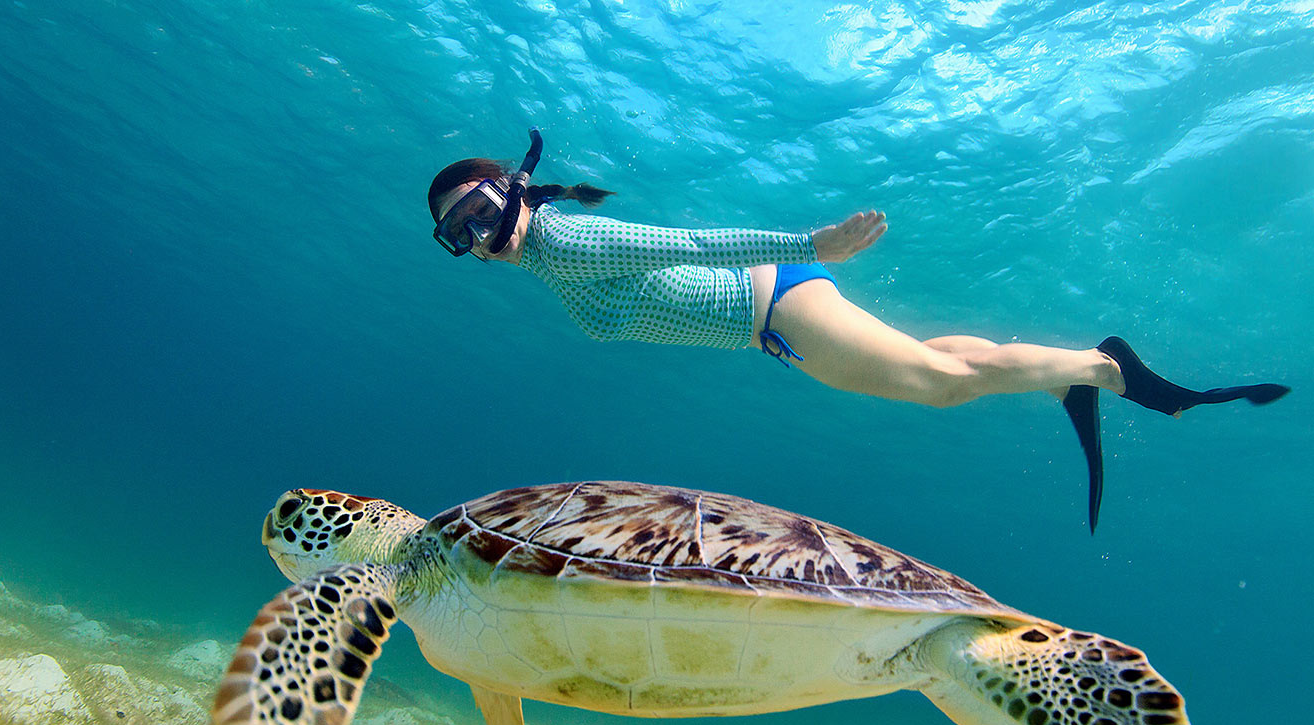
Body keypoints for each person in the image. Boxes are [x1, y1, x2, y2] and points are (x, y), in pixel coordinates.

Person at [428, 129, 1290, 531]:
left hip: (771, 306)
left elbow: (688, 242)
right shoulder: (549, 257)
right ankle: (1075, 372)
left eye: (473, 210)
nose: (475, 236)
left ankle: (1104, 371)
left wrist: (815, 242)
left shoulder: (564, 239)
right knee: (942, 365)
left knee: (940, 389)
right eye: (454, 235)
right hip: (772, 313)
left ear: (508, 188)